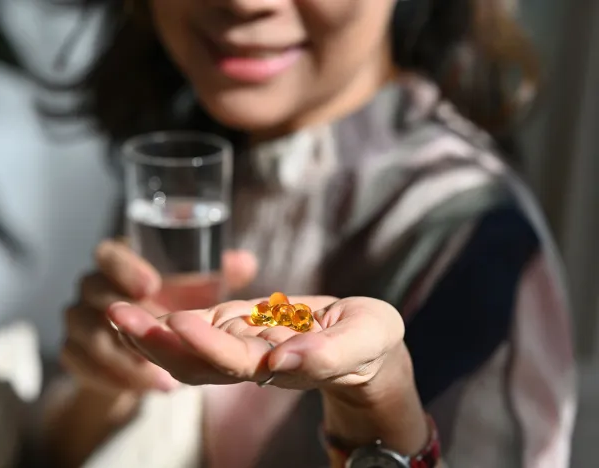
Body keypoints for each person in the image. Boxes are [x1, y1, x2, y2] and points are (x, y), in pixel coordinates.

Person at [43, 0, 577, 467]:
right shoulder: (188, 175)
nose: (244, 3)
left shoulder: (475, 240)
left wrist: (380, 405)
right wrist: (106, 383)